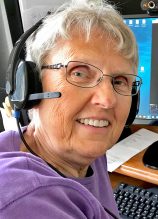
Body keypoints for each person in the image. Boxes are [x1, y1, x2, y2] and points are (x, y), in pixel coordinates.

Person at [0, 0, 142, 218]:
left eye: (119, 81)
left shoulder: (88, 152)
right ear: (30, 87)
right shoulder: (24, 200)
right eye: (78, 73)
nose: (107, 100)